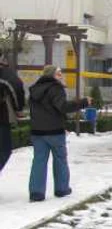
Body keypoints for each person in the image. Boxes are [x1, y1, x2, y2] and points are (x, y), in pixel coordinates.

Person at [28, 65, 92, 202]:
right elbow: (63, 107)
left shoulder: (34, 89)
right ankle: (62, 188)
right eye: (58, 74)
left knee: (39, 161)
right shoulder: (56, 88)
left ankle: (36, 192)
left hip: (37, 132)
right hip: (55, 131)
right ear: (51, 75)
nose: (61, 76)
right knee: (60, 159)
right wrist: (83, 102)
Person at [0, 53, 25, 174]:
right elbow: (16, 86)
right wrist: (18, 109)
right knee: (4, 150)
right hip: (1, 118)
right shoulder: (4, 73)